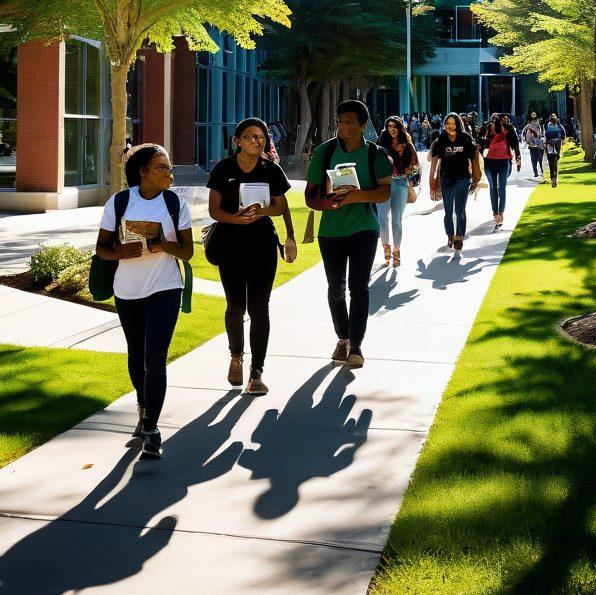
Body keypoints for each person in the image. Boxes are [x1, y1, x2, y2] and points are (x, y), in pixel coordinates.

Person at [96, 144, 193, 460]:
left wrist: (163, 244)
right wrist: (120, 251)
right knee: (136, 356)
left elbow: (188, 251)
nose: (169, 172)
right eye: (162, 167)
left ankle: (151, 429)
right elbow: (102, 249)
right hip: (127, 290)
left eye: (169, 167)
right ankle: (143, 407)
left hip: (165, 287)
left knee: (155, 357)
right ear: (143, 172)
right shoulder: (120, 202)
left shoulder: (175, 203)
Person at [207, 117, 296, 396]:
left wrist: (282, 230)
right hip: (230, 243)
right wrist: (237, 220)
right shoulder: (223, 169)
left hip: (262, 245)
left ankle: (256, 373)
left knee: (259, 308)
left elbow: (281, 207)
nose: (256, 141)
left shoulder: (271, 170)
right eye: (249, 137)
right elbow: (214, 211)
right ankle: (236, 357)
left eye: (260, 137)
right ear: (237, 141)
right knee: (235, 306)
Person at [305, 100, 392, 370]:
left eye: (350, 122)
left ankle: (356, 346)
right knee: (335, 288)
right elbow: (310, 196)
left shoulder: (375, 154)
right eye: (340, 121)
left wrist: (355, 197)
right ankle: (342, 338)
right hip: (331, 230)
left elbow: (384, 192)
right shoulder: (324, 151)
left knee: (359, 287)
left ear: (363, 125)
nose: (344, 127)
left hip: (364, 227)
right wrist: (330, 201)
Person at [429, 113, 482, 251]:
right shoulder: (440, 139)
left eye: (453, 123)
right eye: (448, 123)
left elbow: (474, 158)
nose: (450, 126)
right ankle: (450, 235)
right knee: (448, 211)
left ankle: (459, 237)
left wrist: (476, 178)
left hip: (463, 178)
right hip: (446, 178)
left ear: (458, 124)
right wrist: (433, 184)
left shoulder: (465, 138)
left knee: (460, 210)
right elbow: (433, 163)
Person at [375, 115, 417, 268]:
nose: (392, 129)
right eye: (389, 126)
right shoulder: (380, 144)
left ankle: (397, 251)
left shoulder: (407, 145)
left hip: (400, 183)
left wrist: (409, 173)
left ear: (400, 128)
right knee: (382, 217)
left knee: (397, 220)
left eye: (395, 126)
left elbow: (415, 166)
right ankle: (386, 248)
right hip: (383, 184)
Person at [483, 114, 522, 229]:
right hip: (489, 161)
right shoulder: (487, 129)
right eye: (494, 119)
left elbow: (515, 145)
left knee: (502, 187)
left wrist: (519, 159)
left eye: (500, 119)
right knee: (493, 187)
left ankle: (501, 212)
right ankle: (495, 212)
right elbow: (479, 144)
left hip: (504, 161)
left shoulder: (509, 129)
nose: (497, 122)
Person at [545, 112, 567, 187]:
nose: (553, 120)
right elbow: (544, 135)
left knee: (554, 162)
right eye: (552, 119)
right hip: (549, 146)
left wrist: (562, 140)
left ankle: (554, 177)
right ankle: (553, 177)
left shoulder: (559, 126)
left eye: (554, 119)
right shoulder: (547, 126)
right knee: (552, 162)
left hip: (556, 146)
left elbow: (563, 134)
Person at [521, 112, 545, 179]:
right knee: (533, 160)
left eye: (535, 120)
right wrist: (528, 142)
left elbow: (542, 135)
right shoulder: (528, 127)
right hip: (532, 146)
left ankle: (541, 170)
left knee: (540, 159)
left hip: (539, 146)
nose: (534, 122)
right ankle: (536, 172)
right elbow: (524, 136)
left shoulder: (539, 126)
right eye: (533, 120)